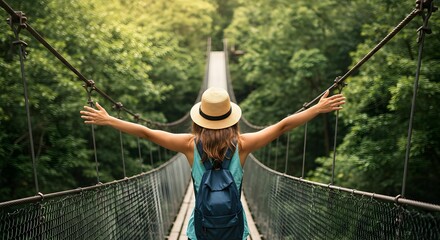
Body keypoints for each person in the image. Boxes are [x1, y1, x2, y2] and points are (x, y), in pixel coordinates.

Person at [80, 87, 345, 240]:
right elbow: (282, 126)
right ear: (232, 117)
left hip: (201, 229)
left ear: (199, 118)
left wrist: (110, 120)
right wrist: (317, 109)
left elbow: (146, 133)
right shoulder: (243, 144)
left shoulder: (187, 145)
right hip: (235, 228)